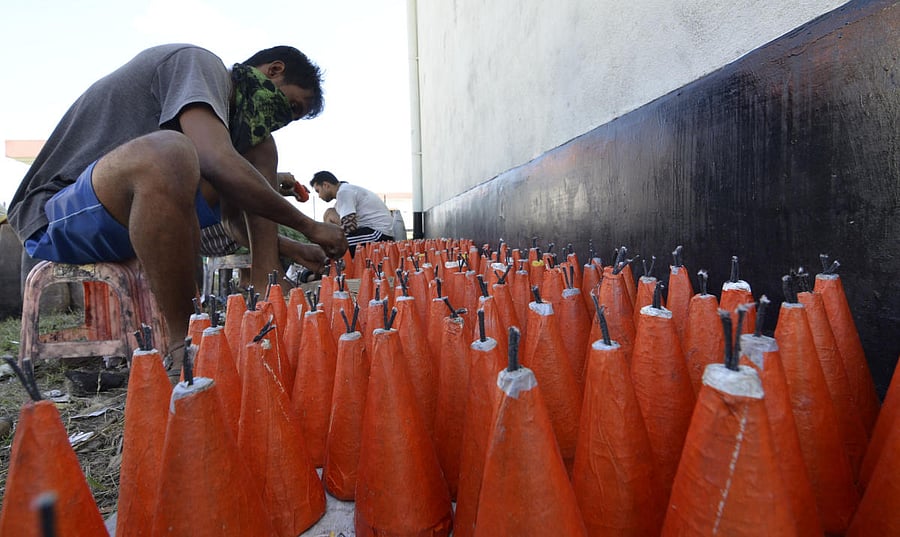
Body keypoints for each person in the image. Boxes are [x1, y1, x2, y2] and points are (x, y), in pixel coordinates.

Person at [6, 44, 348, 377]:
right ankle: (183, 342)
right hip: (56, 212)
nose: (282, 121)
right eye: (289, 107)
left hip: (124, 221)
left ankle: (266, 287)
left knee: (258, 152)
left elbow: (233, 222)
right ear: (274, 71)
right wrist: (310, 226)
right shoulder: (199, 63)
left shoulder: (232, 132)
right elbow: (216, 161)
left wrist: (291, 248)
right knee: (171, 152)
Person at [309, 170, 393, 255]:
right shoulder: (344, 192)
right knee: (329, 213)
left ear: (325, 185)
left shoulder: (344, 192)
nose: (319, 196)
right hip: (369, 231)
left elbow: (350, 228)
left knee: (330, 247)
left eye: (318, 191)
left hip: (378, 235)